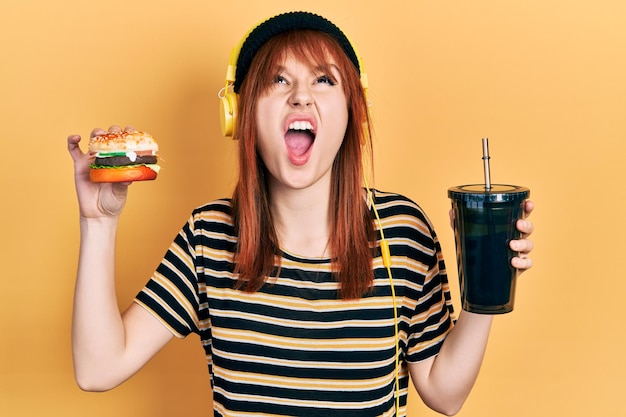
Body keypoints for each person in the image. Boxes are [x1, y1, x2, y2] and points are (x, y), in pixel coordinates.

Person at [67, 11, 535, 417]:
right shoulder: (208, 236)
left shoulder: (403, 232)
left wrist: (486, 281)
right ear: (241, 115)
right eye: (278, 80)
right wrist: (98, 223)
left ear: (355, 110)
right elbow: (98, 368)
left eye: (324, 79)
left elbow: (445, 393)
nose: (300, 96)